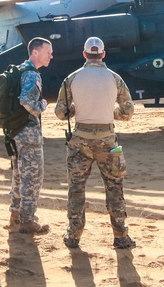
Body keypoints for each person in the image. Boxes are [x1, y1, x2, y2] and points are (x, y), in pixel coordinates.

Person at [55, 36, 136, 250]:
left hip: (79, 140)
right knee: (115, 187)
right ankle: (121, 236)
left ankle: (73, 235)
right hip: (108, 141)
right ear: (103, 54)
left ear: (84, 54)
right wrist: (110, 112)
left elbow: (61, 113)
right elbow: (128, 112)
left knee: (76, 188)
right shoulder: (115, 78)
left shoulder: (71, 78)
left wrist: (77, 110)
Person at [9, 37, 54, 234]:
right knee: (32, 177)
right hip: (28, 133)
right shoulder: (31, 75)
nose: (51, 56)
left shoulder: (19, 70)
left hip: (15, 131)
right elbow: (26, 101)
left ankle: (15, 214)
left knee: (18, 174)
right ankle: (27, 220)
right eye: (47, 52)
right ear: (35, 52)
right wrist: (42, 105)